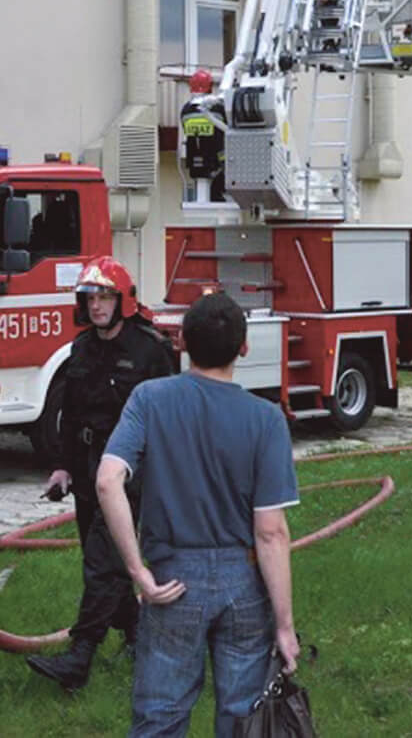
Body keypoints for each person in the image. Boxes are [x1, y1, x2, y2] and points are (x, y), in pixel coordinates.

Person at [97, 291, 301, 737]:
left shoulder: (149, 399)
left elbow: (108, 480)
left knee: (160, 718)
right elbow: (270, 533)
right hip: (244, 584)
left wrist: (138, 572)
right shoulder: (266, 420)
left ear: (182, 343)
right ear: (244, 348)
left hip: (172, 579)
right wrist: (285, 627)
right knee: (244, 718)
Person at [25, 256, 174, 693]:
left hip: (130, 473)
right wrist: (61, 466)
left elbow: (169, 418)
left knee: (102, 562)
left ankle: (80, 655)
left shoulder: (151, 349)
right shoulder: (81, 348)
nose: (97, 306)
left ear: (122, 300)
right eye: (90, 297)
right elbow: (71, 416)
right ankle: (138, 633)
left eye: (105, 296)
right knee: (107, 562)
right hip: (88, 469)